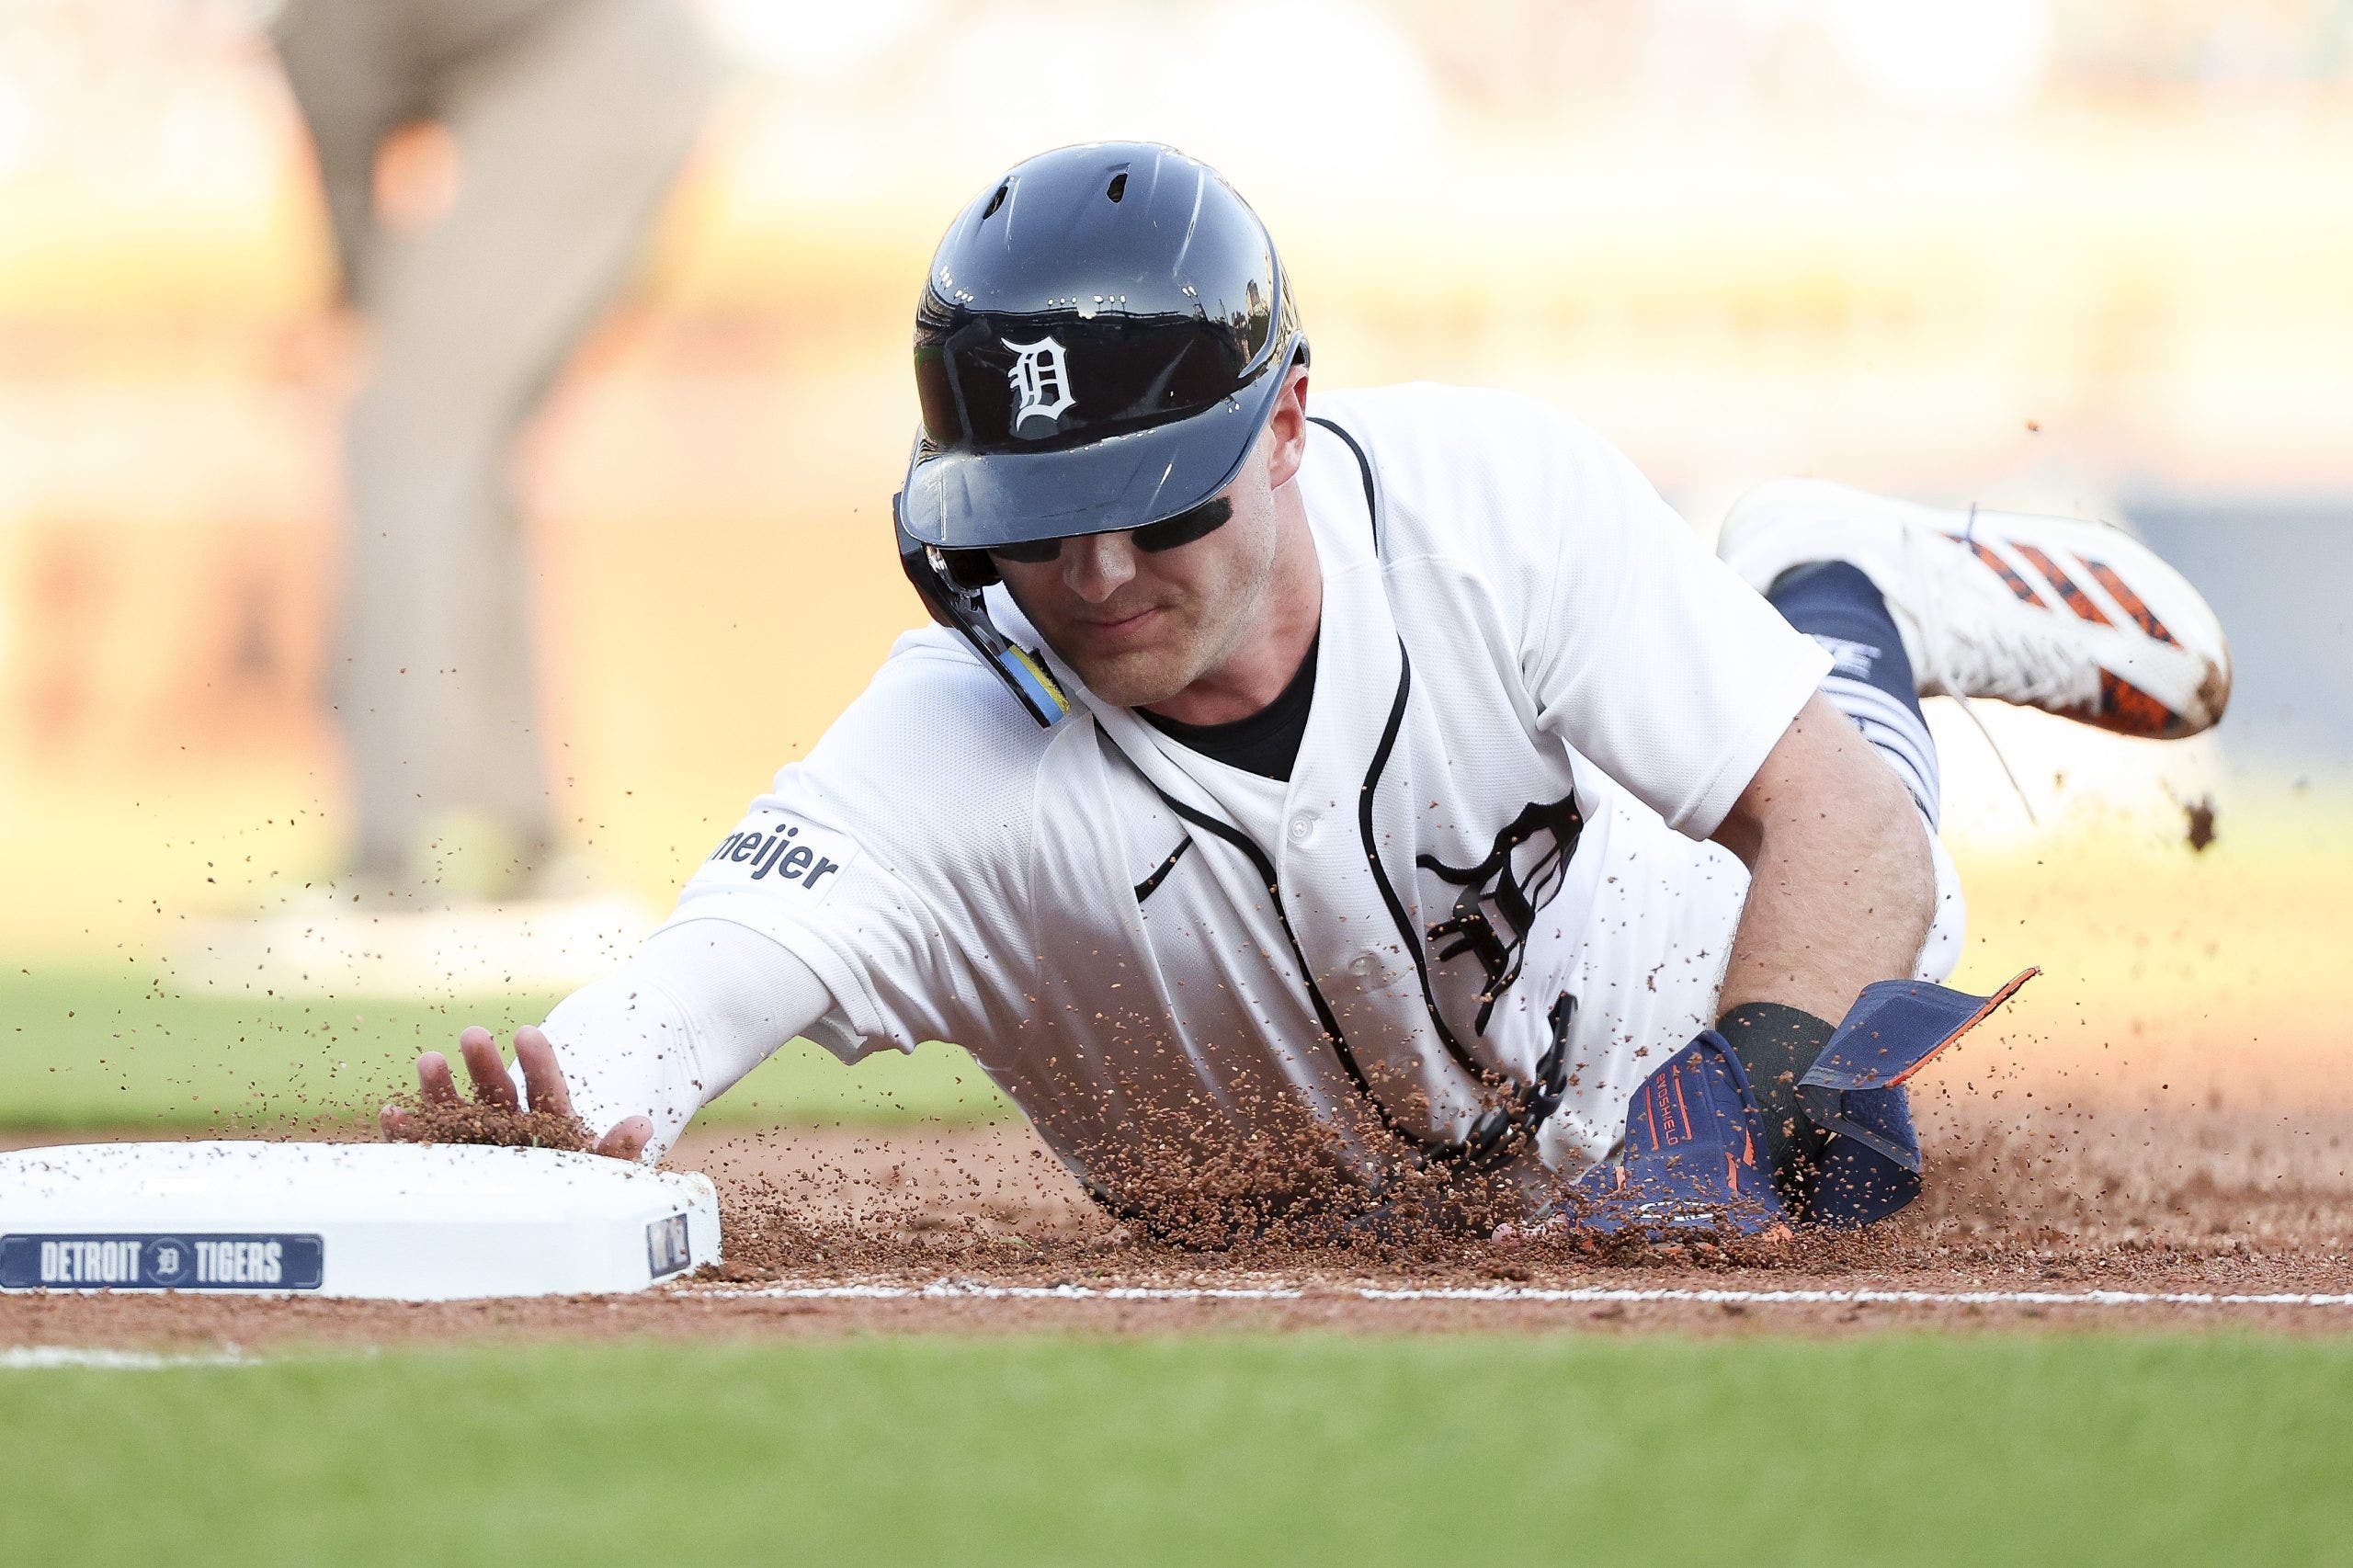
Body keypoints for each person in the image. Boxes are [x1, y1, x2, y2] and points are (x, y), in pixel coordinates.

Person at [381, 142, 2230, 1239]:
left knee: (1855, 1051)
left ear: (1281, 422)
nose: (1092, 581)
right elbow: (665, 1016)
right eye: (1036, 528)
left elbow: (1830, 830)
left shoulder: (1487, 505)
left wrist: (1748, 1092)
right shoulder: (931, 762)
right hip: (1391, 1210)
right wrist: (550, 1131)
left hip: (1678, 967)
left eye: (1146, 508)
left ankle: (1830, 589)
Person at [271, 0, 712, 898]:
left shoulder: (303, 20)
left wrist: (351, 301)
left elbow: (350, 166)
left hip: (600, 74)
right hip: (619, 77)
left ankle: (403, 857)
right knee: (453, 450)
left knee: (400, 432)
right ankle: (518, 846)